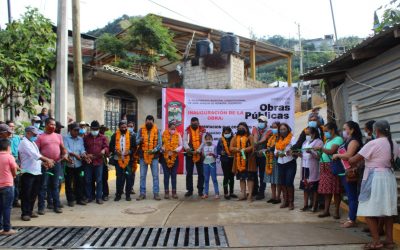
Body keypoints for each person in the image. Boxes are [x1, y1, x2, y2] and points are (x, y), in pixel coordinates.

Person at [349, 120, 399, 250]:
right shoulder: (394, 143)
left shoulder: (373, 143)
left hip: (375, 178)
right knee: (388, 211)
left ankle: (376, 242)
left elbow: (353, 159)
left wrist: (349, 158)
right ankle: (389, 241)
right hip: (389, 177)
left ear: (376, 130)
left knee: (369, 211)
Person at [18, 126, 54, 221]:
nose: (36, 136)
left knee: (34, 193)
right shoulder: (24, 143)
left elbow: (36, 158)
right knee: (26, 193)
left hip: (36, 171)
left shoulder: (32, 142)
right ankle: (25, 213)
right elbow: (34, 155)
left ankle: (30, 211)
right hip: (28, 172)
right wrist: (47, 159)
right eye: (34, 134)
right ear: (28, 133)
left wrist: (43, 163)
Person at [332, 121, 363, 228]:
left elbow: (349, 155)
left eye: (345, 129)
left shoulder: (354, 141)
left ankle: (352, 220)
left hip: (351, 172)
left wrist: (337, 155)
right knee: (350, 195)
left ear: (352, 130)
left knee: (352, 196)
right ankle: (351, 217)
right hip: (345, 171)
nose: (344, 131)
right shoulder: (348, 140)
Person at [36, 118, 68, 214]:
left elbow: (63, 149)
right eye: (51, 124)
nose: (53, 126)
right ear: (46, 125)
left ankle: (56, 206)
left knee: (55, 185)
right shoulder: (40, 137)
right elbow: (36, 152)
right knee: (43, 186)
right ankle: (41, 208)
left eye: (54, 125)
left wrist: (65, 154)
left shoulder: (58, 136)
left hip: (57, 163)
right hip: (45, 165)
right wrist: (43, 161)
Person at [314, 122, 343, 219]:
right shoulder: (327, 140)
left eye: (327, 131)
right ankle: (326, 210)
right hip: (324, 166)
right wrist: (318, 151)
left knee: (336, 189)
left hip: (332, 166)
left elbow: (332, 151)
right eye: (324, 131)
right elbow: (322, 154)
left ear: (333, 130)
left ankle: (336, 211)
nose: (325, 133)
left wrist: (321, 148)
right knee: (327, 190)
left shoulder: (338, 139)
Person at [136, 115, 162, 201]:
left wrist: (154, 150)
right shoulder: (140, 130)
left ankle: (156, 193)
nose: (149, 123)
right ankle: (142, 193)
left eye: (151, 121)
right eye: (148, 121)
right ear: (145, 121)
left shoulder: (157, 130)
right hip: (143, 156)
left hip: (154, 157)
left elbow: (160, 144)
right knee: (142, 176)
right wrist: (140, 139)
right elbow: (135, 142)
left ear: (153, 122)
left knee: (155, 176)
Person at [298, 127, 323, 212]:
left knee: (313, 187)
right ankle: (305, 204)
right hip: (304, 166)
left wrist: (311, 152)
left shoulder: (319, 142)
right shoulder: (305, 142)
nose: (307, 136)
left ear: (313, 134)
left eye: (308, 134)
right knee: (305, 186)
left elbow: (319, 156)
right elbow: (303, 154)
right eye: (306, 134)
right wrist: (298, 154)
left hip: (312, 167)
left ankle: (314, 205)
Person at [109, 121, 136, 201]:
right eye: (122, 127)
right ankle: (118, 194)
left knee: (128, 177)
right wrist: (115, 151)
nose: (124, 129)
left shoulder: (131, 136)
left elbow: (134, 147)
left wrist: (130, 152)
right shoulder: (114, 136)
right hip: (118, 160)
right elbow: (111, 147)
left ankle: (128, 195)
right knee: (119, 178)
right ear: (119, 128)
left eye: (125, 127)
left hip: (128, 161)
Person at [83, 120, 109, 204]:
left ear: (99, 129)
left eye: (96, 129)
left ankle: (99, 197)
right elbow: (83, 148)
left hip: (99, 161)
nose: (94, 131)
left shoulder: (103, 137)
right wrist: (86, 155)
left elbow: (107, 147)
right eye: (93, 129)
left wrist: (104, 150)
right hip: (88, 161)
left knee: (99, 180)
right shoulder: (86, 137)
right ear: (90, 129)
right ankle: (89, 196)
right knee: (88, 180)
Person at [230, 122, 255, 202]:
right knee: (241, 178)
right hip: (238, 161)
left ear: (246, 129)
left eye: (242, 128)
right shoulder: (234, 137)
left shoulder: (250, 136)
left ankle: (250, 195)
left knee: (250, 178)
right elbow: (231, 148)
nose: (240, 130)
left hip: (249, 160)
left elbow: (253, 147)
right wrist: (237, 149)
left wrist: (245, 149)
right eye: (239, 128)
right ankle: (243, 194)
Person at [63, 123, 87, 207]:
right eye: (75, 130)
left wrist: (83, 154)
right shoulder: (65, 138)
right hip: (69, 164)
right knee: (69, 183)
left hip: (79, 164)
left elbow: (82, 149)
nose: (77, 132)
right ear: (70, 130)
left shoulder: (80, 139)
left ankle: (79, 198)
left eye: (78, 130)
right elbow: (66, 149)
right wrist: (75, 155)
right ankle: (70, 199)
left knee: (79, 182)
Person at [275, 123, 297, 210]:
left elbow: (295, 150)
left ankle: (291, 202)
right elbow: (275, 152)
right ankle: (285, 201)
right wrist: (277, 154)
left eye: (284, 129)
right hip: (280, 163)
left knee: (289, 182)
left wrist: (291, 152)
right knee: (282, 183)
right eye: (281, 129)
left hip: (290, 162)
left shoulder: (292, 139)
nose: (282, 131)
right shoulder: (277, 139)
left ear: (288, 129)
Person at [183, 117, 206, 197]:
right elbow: (184, 141)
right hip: (189, 154)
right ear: (190, 123)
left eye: (196, 123)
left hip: (199, 154)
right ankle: (189, 190)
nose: (194, 125)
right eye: (193, 124)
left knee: (201, 173)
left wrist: (198, 150)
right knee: (189, 173)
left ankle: (200, 190)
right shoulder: (187, 130)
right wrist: (187, 148)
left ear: (198, 123)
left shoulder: (203, 130)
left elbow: (204, 142)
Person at [0, 138, 18, 235]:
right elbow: (14, 169)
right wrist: (14, 175)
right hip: (7, 185)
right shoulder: (9, 156)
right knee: (7, 207)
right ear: (8, 147)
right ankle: (7, 229)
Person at [251, 115, 272, 200]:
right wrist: (255, 143)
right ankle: (255, 189)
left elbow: (264, 138)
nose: (260, 123)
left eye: (262, 122)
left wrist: (257, 143)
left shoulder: (269, 130)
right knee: (254, 173)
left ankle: (261, 192)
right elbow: (255, 136)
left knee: (262, 174)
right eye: (259, 121)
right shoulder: (255, 128)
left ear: (266, 123)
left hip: (263, 155)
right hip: (255, 154)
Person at [161, 122, 182, 199]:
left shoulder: (178, 135)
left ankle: (174, 192)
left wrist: (176, 149)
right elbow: (161, 144)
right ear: (168, 128)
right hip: (165, 157)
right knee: (166, 175)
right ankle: (166, 192)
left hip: (174, 157)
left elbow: (181, 145)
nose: (173, 130)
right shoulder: (163, 134)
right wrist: (163, 149)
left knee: (173, 175)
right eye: (171, 128)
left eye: (174, 128)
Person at [263, 121, 282, 204]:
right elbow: (268, 147)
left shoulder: (281, 137)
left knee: (277, 180)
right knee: (272, 180)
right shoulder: (271, 137)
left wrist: (270, 149)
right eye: (273, 127)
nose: (274, 129)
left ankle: (278, 197)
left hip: (277, 159)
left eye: (275, 127)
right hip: (269, 159)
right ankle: (273, 196)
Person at [217, 127, 237, 200]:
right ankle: (226, 193)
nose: (227, 134)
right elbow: (218, 150)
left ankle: (231, 192)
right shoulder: (220, 140)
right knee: (226, 176)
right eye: (225, 133)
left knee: (232, 176)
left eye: (228, 132)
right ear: (223, 133)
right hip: (224, 160)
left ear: (231, 132)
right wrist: (220, 152)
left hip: (233, 160)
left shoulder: (234, 139)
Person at [5, 121, 21, 208]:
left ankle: (16, 200)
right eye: (10, 126)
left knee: (17, 181)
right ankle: (9, 202)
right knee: (9, 182)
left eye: (13, 126)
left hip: (16, 160)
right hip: (7, 161)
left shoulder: (17, 137)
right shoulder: (5, 139)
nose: (12, 128)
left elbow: (19, 150)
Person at [201, 133, 219, 199]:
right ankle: (205, 193)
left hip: (212, 164)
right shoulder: (203, 147)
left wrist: (213, 155)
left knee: (214, 179)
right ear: (205, 140)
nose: (208, 140)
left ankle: (217, 193)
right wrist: (202, 155)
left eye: (209, 139)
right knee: (206, 179)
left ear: (212, 139)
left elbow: (216, 156)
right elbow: (203, 156)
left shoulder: (214, 146)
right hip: (205, 164)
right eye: (207, 139)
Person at [99, 125, 110, 200]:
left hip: (104, 161)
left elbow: (108, 149)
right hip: (96, 161)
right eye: (101, 130)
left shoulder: (105, 138)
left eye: (104, 130)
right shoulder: (97, 138)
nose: (103, 131)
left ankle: (105, 194)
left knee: (104, 178)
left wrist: (105, 151)